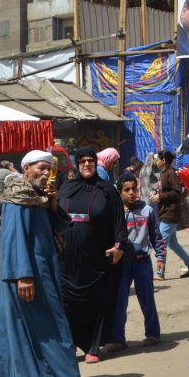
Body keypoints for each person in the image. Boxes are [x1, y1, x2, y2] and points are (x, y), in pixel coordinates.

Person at [0, 150, 82, 377]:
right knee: (52, 327)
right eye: (41, 168)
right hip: (28, 273)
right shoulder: (17, 198)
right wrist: (23, 276)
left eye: (48, 169)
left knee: (35, 328)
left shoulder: (37, 197)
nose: (46, 173)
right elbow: (14, 239)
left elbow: (54, 228)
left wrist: (52, 205)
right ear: (26, 169)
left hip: (43, 269)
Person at [57, 147, 128, 364]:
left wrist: (119, 246)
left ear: (96, 163)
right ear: (77, 163)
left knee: (95, 302)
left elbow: (119, 221)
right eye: (83, 161)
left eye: (91, 160)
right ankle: (71, 343)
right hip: (66, 259)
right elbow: (53, 215)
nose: (87, 164)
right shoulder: (65, 188)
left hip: (96, 258)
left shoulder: (106, 189)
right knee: (67, 302)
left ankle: (93, 346)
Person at [109, 175, 161, 352]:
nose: (131, 193)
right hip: (121, 264)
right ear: (119, 192)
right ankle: (117, 339)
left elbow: (156, 236)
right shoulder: (113, 213)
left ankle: (152, 333)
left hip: (142, 262)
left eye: (134, 189)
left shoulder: (147, 210)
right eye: (127, 190)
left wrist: (161, 257)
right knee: (119, 302)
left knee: (147, 299)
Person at [150, 150, 189, 280]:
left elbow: (177, 192)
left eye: (158, 159)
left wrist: (160, 196)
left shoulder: (171, 173)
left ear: (164, 160)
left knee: (161, 243)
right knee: (173, 244)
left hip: (170, 213)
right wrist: (156, 193)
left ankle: (160, 273)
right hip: (165, 212)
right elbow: (164, 190)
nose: (156, 162)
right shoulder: (163, 173)